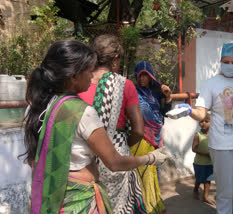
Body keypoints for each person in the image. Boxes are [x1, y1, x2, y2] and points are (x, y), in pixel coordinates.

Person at [23, 40, 167, 214]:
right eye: (88, 71)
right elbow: (114, 162)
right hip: (80, 200)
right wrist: (150, 158)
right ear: (73, 76)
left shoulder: (37, 107)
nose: (92, 76)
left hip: (55, 195)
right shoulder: (82, 112)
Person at [179, 43, 233, 214]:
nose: (229, 65)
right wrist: (189, 110)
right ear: (221, 61)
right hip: (223, 147)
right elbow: (202, 113)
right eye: (226, 61)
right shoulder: (211, 84)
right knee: (225, 193)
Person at [78, 34, 147, 214]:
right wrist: (120, 145)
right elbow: (139, 130)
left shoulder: (77, 82)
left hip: (83, 159)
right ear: (116, 58)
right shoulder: (125, 85)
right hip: (117, 156)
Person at [129, 61, 172, 214]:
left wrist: (167, 97)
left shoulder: (157, 92)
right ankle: (140, 205)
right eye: (140, 76)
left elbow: (165, 111)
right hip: (138, 136)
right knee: (140, 169)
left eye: (145, 76)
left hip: (156, 135)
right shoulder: (132, 91)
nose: (142, 79)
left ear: (151, 76)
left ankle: (152, 203)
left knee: (154, 169)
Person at [192, 112, 215, 205]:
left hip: (210, 162)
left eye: (206, 121)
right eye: (201, 121)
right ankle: (195, 189)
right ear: (199, 123)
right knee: (199, 179)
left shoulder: (214, 134)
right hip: (199, 162)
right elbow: (193, 148)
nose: (204, 123)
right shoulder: (198, 135)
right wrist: (205, 154)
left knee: (207, 179)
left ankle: (205, 197)